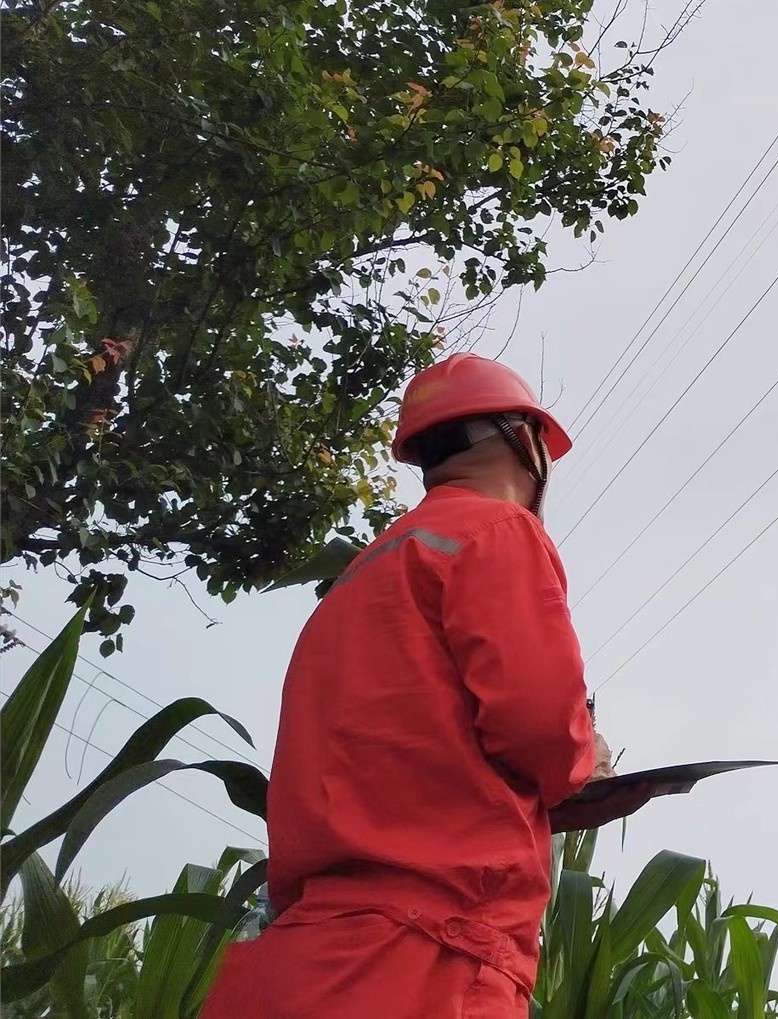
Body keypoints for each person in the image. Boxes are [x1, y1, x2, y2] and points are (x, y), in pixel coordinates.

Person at [202, 353, 609, 1018]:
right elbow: (540, 730)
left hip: (298, 956)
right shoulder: (499, 531)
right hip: (424, 955)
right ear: (524, 441)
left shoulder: (360, 579)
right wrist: (586, 755)